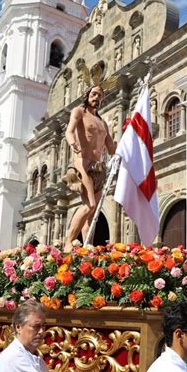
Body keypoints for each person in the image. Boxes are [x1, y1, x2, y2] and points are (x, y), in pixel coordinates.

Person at [63, 85, 117, 251]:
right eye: (94, 94)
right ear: (87, 95)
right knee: (90, 205)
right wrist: (73, 143)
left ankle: (87, 247)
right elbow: (69, 131)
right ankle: (68, 243)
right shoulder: (79, 112)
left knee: (93, 214)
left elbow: (111, 148)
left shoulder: (102, 123)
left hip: (99, 168)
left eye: (100, 96)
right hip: (83, 162)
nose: (97, 98)